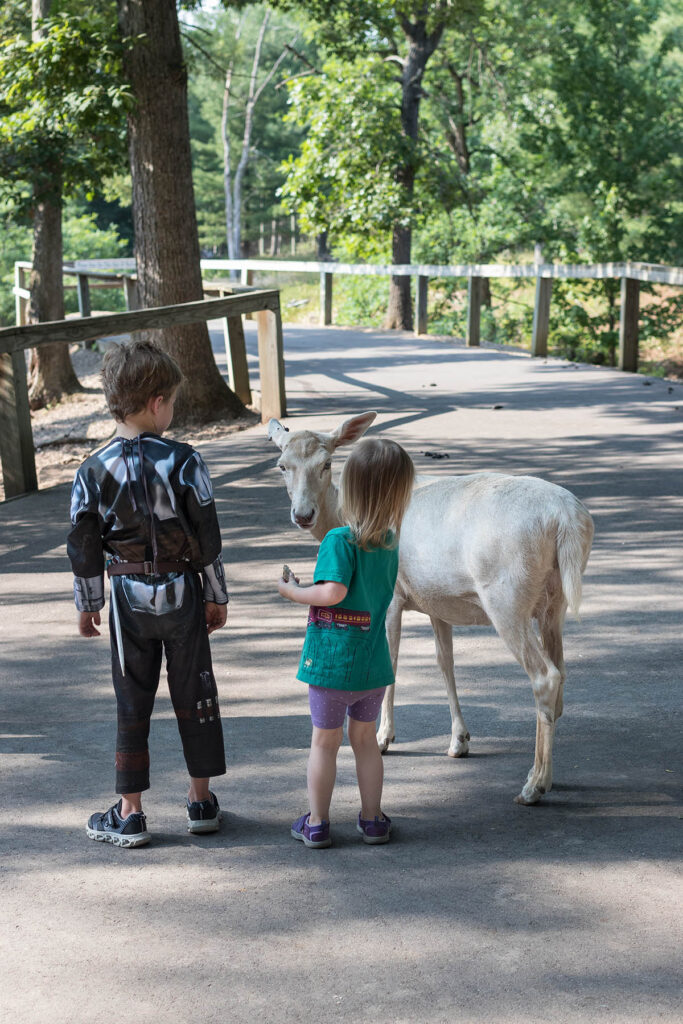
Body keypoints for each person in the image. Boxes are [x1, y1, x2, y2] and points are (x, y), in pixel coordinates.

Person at [67, 340, 229, 848]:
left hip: (126, 598)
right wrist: (217, 594)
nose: (173, 411)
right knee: (195, 693)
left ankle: (130, 812)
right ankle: (200, 801)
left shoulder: (90, 471)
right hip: (182, 590)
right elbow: (207, 536)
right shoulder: (185, 461)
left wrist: (89, 603)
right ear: (157, 401)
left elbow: (84, 544)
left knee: (131, 699)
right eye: (174, 402)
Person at [278, 438, 414, 848]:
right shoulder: (390, 542)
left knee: (324, 742)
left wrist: (294, 592)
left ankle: (317, 822)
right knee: (365, 741)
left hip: (331, 667)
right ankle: (372, 820)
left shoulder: (336, 540)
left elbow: (333, 592)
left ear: (347, 488)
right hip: (373, 668)